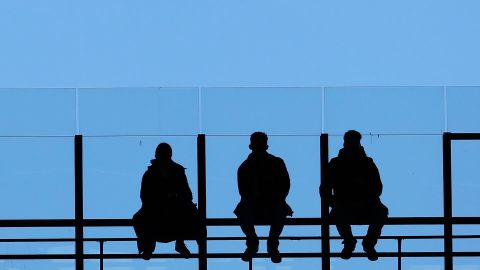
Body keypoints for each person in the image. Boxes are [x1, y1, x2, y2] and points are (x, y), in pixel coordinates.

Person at [320, 130, 388, 261]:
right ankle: (367, 243)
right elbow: (378, 188)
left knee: (339, 213)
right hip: (362, 204)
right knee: (381, 212)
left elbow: (325, 189)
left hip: (349, 204)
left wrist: (334, 203)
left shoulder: (336, 163)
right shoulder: (367, 163)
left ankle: (350, 242)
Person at [132, 143, 200, 260]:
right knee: (139, 218)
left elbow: (144, 196)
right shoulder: (177, 171)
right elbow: (144, 196)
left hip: (167, 209)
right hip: (161, 209)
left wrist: (174, 198)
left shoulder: (151, 173)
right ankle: (180, 243)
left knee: (138, 218)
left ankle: (149, 247)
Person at [234, 132, 293, 263]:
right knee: (279, 211)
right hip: (272, 202)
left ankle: (253, 243)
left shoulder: (244, 167)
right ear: (266, 146)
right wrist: (275, 198)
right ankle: (271, 245)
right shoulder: (277, 162)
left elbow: (242, 190)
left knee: (243, 211)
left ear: (250, 146)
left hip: (254, 203)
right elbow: (285, 185)